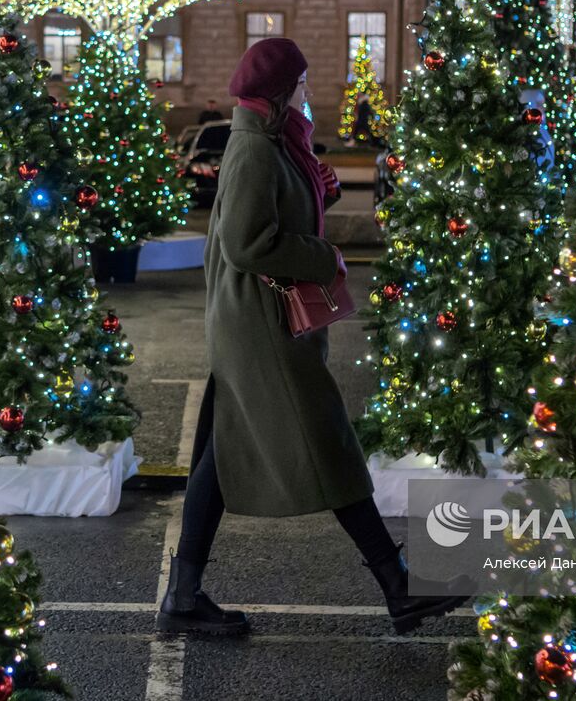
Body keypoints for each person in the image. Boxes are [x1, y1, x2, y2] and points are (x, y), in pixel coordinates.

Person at [157, 38, 466, 636]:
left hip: (256, 323)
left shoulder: (272, 144)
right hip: (261, 327)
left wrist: (314, 195)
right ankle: (397, 583)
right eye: (302, 83)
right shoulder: (255, 151)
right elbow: (249, 243)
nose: (310, 93)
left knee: (220, 461)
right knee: (328, 441)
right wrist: (324, 256)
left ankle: (183, 598)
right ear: (280, 93)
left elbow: (266, 220)